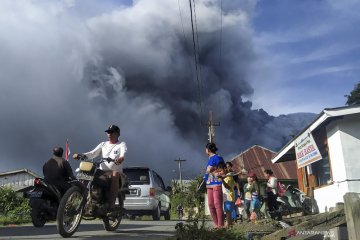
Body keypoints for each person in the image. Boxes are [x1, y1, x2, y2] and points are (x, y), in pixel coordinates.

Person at [73, 124, 127, 216]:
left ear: (118, 134)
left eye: (112, 132)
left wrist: (120, 159)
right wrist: (81, 155)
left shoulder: (121, 144)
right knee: (88, 171)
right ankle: (81, 198)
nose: (109, 134)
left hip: (116, 174)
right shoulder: (103, 144)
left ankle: (111, 207)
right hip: (103, 173)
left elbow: (122, 154)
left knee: (115, 174)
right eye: (108, 132)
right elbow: (92, 153)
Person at [204, 142, 225, 228]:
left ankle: (220, 225)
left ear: (208, 150)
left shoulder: (218, 158)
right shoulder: (210, 158)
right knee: (210, 205)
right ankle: (216, 224)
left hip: (216, 182)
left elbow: (223, 170)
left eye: (205, 149)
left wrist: (212, 171)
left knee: (217, 203)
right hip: (209, 183)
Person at [218, 162, 236, 228]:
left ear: (225, 169)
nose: (219, 172)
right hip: (226, 197)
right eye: (218, 171)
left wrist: (222, 180)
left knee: (228, 212)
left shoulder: (229, 178)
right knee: (227, 212)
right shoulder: (226, 177)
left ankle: (228, 225)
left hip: (229, 197)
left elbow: (228, 187)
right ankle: (229, 225)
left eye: (220, 171)